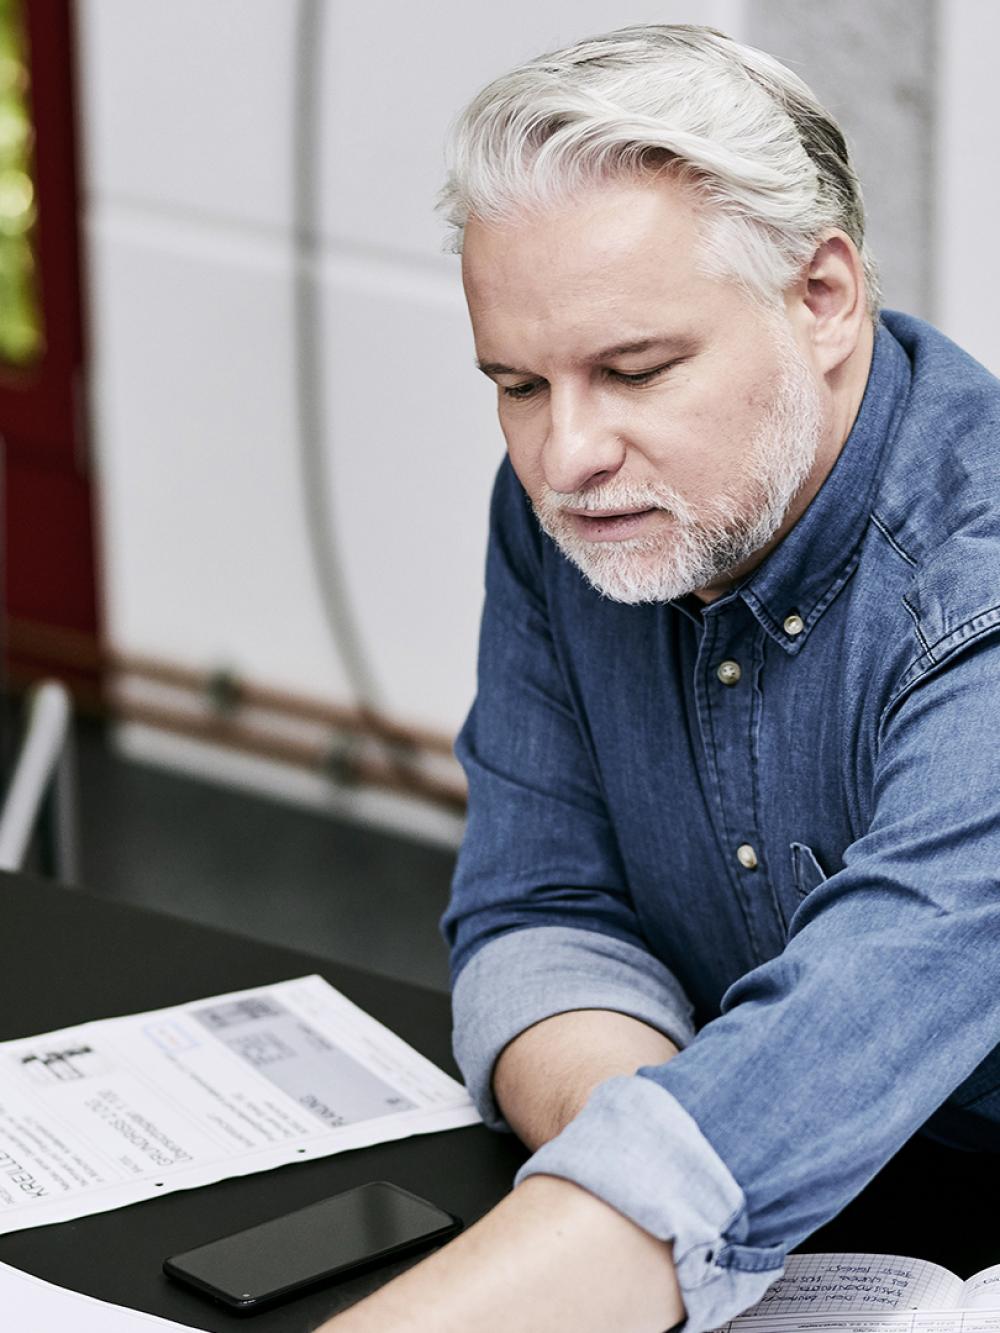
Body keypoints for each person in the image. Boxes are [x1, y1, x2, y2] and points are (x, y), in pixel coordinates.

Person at [317, 24, 1000, 1333]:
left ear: (823, 299)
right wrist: (629, 1138)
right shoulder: (580, 513)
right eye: (517, 383)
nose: (564, 453)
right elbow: (537, 907)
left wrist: (634, 1185)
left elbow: (847, 1036)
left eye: (635, 370)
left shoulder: (976, 591)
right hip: (818, 1231)